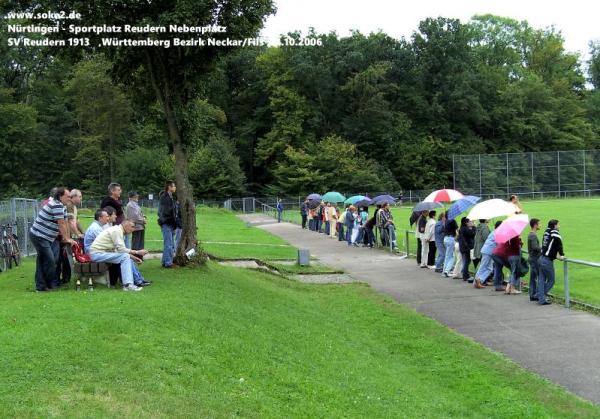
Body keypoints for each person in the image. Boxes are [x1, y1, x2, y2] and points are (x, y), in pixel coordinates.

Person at [86, 211, 151, 288]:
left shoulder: (118, 230)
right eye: (132, 227)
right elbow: (121, 249)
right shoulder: (117, 231)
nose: (133, 229)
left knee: (125, 257)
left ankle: (132, 282)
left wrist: (134, 257)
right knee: (125, 257)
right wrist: (137, 252)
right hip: (97, 254)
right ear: (126, 226)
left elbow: (118, 250)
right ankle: (128, 285)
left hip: (100, 253)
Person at [29, 187, 76, 292]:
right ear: (60, 196)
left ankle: (42, 286)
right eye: (67, 196)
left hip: (46, 237)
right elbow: (61, 223)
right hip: (39, 235)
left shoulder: (61, 206)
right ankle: (46, 284)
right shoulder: (57, 205)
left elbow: (64, 222)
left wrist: (66, 238)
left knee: (44, 260)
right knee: (50, 260)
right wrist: (67, 238)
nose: (69, 198)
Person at [537, 219, 565, 306]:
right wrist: (561, 255)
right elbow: (559, 244)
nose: (559, 226)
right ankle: (539, 296)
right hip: (547, 261)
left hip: (541, 258)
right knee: (551, 280)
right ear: (555, 226)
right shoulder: (554, 232)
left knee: (541, 280)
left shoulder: (546, 232)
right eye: (558, 225)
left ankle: (541, 298)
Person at [474, 221, 502, 289]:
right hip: (488, 251)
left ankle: (479, 281)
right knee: (484, 266)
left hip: (487, 250)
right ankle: (477, 281)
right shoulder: (497, 233)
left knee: (489, 268)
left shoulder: (494, 232)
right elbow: (499, 243)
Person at [158, 180, 177, 268]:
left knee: (169, 244)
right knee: (169, 244)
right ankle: (168, 263)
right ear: (169, 187)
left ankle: (164, 261)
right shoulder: (165, 197)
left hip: (170, 223)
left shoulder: (170, 196)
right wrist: (173, 221)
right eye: (173, 186)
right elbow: (165, 212)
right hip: (167, 223)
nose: (175, 188)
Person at [458, 217, 476, 282]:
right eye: (469, 222)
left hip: (463, 247)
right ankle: (465, 275)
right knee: (467, 261)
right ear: (466, 223)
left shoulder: (462, 228)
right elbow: (472, 234)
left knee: (466, 261)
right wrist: (474, 226)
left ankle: (465, 274)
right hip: (466, 247)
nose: (470, 222)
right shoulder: (465, 229)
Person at [527, 218, 541, 301]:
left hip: (533, 258)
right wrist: (543, 249)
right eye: (539, 224)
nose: (540, 225)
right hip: (534, 258)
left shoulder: (532, 234)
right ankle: (536, 294)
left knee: (533, 278)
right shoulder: (532, 235)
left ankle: (533, 294)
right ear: (535, 225)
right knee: (539, 277)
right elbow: (535, 247)